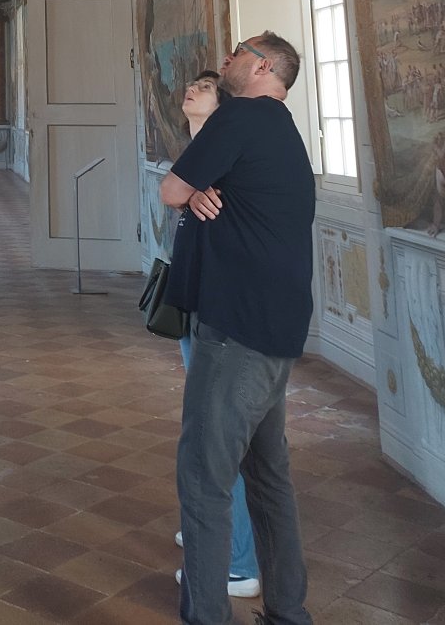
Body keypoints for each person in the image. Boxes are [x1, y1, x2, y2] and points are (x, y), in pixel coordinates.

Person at [160, 33, 315, 625]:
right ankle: (287, 611)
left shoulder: (243, 114)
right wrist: (201, 189)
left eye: (235, 54)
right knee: (268, 478)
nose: (223, 62)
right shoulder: (281, 126)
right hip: (276, 326)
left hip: (236, 328)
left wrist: (192, 189)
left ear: (262, 65)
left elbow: (171, 189)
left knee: (203, 481)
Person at [170, 71, 260, 600]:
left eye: (204, 86)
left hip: (223, 312)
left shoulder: (225, 153)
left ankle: (238, 562)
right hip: (201, 302)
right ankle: (207, 523)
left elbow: (174, 197)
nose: (192, 89)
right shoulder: (199, 151)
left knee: (215, 437)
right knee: (201, 428)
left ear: (222, 102)